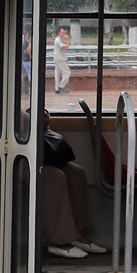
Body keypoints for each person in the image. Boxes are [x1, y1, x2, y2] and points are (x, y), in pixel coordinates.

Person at [42, 110, 106, 259]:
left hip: (39, 155)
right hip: (17, 158)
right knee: (54, 177)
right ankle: (60, 240)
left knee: (76, 173)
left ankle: (76, 233)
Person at [53, 27, 71, 94]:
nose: (64, 33)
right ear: (59, 33)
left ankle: (57, 88)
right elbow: (66, 47)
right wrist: (68, 41)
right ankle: (61, 87)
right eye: (62, 32)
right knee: (67, 72)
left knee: (57, 74)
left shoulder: (60, 39)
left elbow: (63, 51)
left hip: (59, 58)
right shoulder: (58, 40)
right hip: (59, 59)